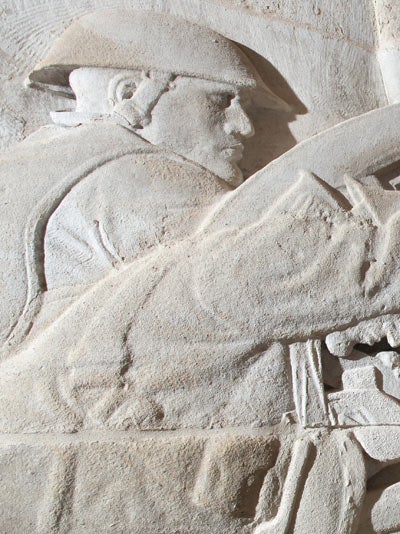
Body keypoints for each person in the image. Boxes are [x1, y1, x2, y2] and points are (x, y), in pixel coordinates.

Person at [0, 9, 286, 352]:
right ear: (130, 94)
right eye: (221, 101)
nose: (244, 126)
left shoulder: (34, 158)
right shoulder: (140, 175)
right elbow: (268, 277)